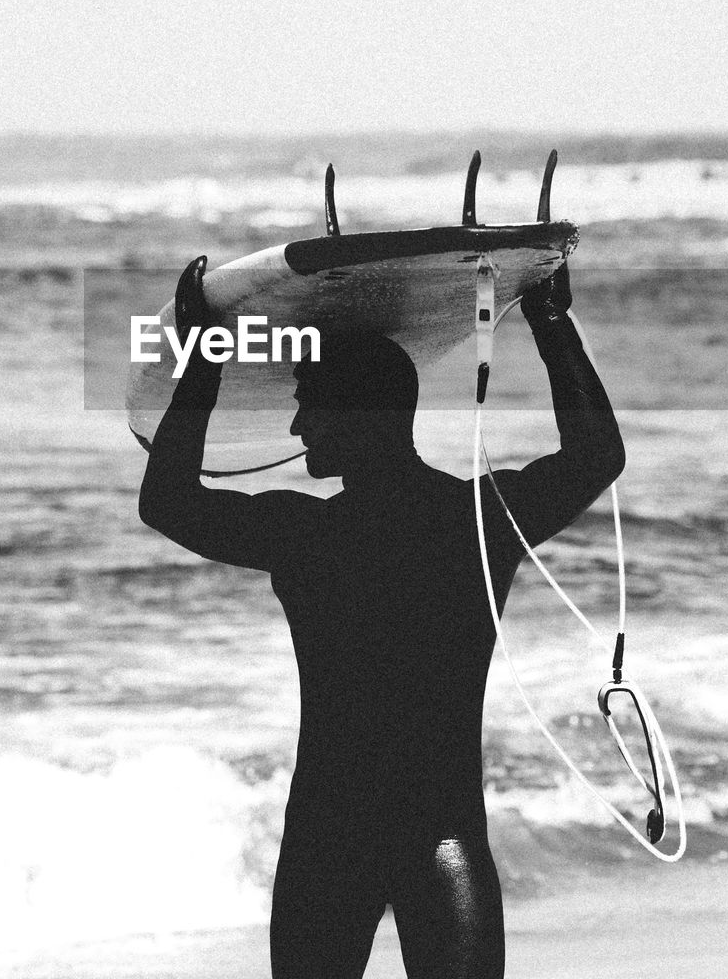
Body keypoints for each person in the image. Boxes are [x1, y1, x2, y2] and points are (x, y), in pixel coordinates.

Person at [139, 255, 624, 979]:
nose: (299, 423)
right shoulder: (479, 522)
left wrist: (208, 353)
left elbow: (167, 500)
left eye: (311, 402)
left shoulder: (304, 535)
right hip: (442, 835)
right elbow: (596, 454)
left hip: (328, 837)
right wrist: (550, 323)